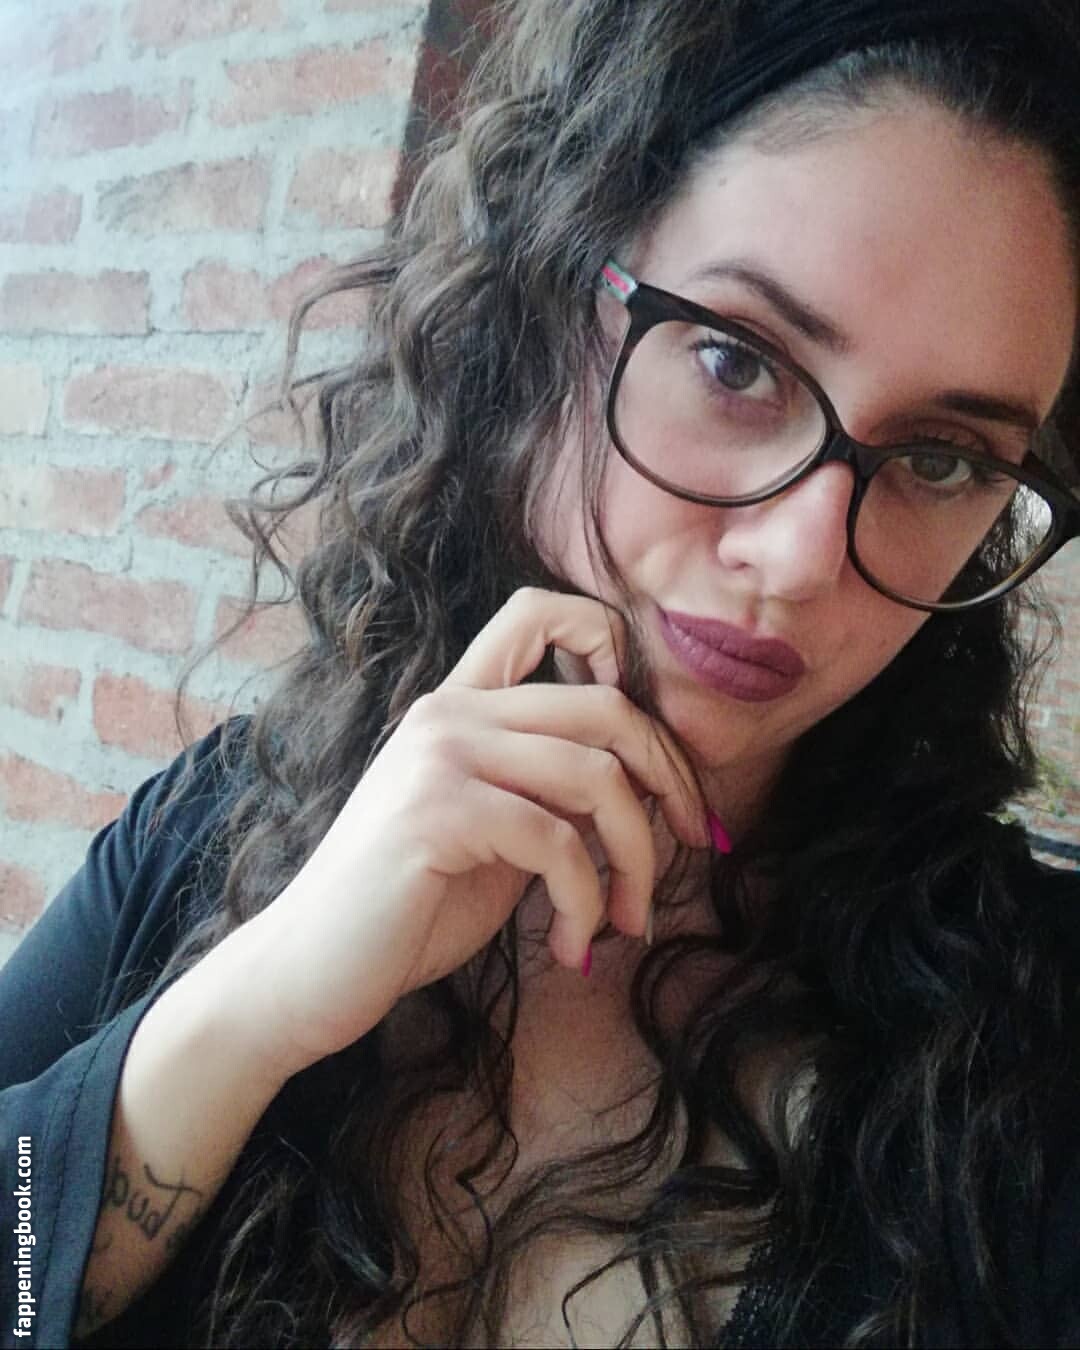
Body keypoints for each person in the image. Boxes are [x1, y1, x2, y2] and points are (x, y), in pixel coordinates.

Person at [3, 0, 1080, 1344]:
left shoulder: (1030, 1044)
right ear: (554, 301)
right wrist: (252, 1011)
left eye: (939, 458)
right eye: (736, 360)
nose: (801, 555)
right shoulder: (217, 825)